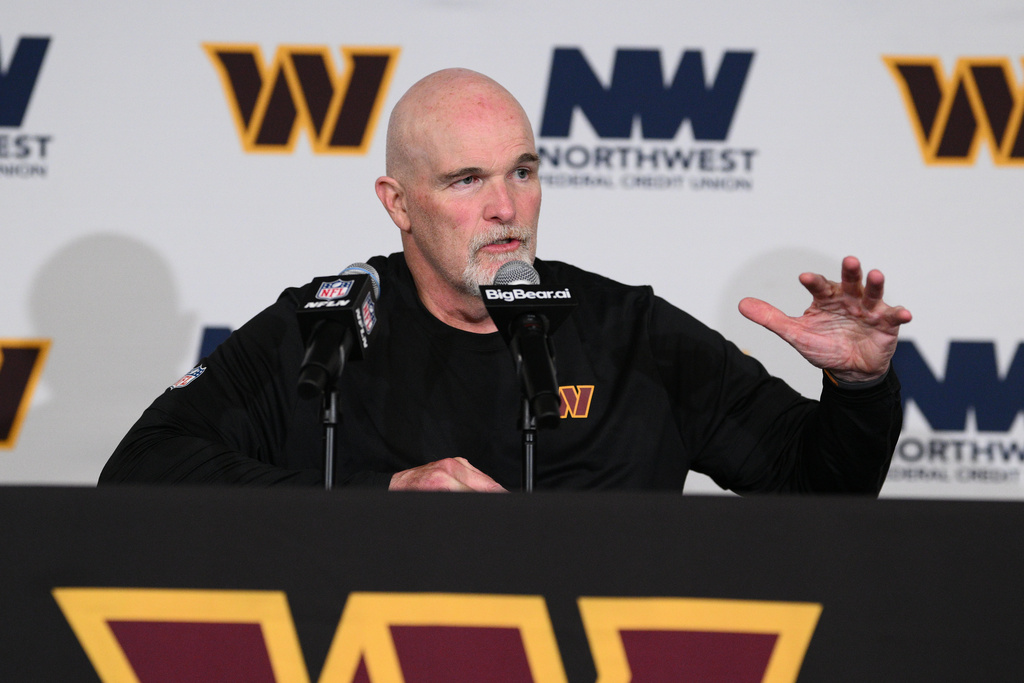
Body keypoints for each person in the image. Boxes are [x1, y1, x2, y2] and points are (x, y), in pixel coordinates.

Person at [99, 68, 912, 493]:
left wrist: (860, 389)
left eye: (523, 171)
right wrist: (378, 493)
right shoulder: (326, 329)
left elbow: (815, 489)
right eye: (465, 181)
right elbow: (141, 470)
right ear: (399, 204)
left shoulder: (633, 334)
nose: (505, 207)